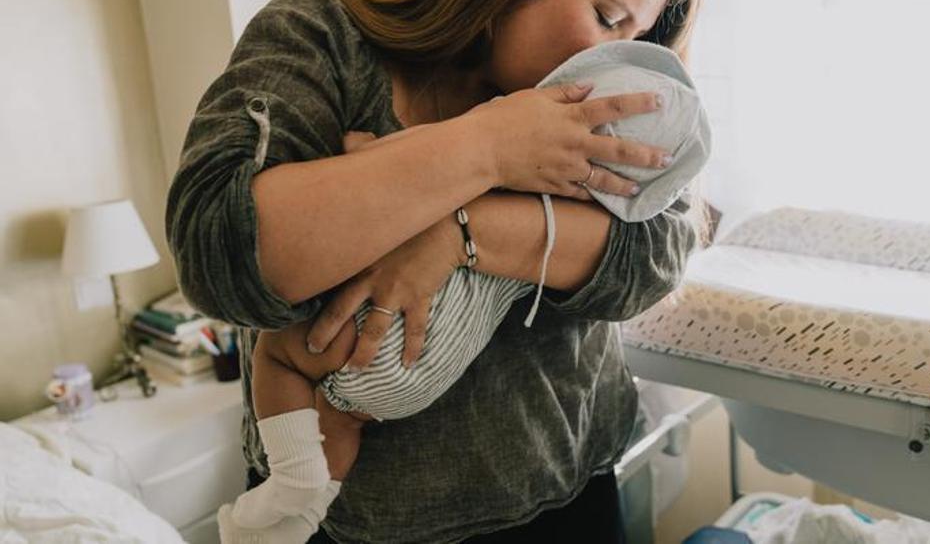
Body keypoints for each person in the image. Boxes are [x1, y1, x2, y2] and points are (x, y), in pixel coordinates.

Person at [165, 0, 704, 541]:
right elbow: (221, 253)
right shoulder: (322, 37)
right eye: (605, 17)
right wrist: (488, 148)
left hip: (562, 500)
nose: (608, 57)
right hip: (354, 522)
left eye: (632, 40)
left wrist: (460, 228)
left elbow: (655, 253)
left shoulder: (606, 112)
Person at [217, 39, 711, 543]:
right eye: (607, 17)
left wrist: (367, 152)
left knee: (279, 356)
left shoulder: (504, 152)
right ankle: (308, 502)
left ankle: (297, 484)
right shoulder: (584, 210)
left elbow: (393, 165)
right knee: (344, 417)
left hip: (376, 337)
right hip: (424, 370)